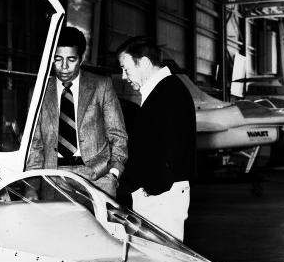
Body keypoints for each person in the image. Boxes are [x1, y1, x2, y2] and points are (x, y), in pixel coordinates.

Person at [26, 26, 127, 198]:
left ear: (81, 59)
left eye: (71, 59)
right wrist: (31, 187)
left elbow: (117, 135)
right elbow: (34, 145)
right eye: (58, 59)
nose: (64, 67)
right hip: (53, 180)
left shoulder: (101, 86)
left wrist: (114, 174)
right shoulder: (39, 91)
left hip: (97, 180)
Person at [115, 36, 196, 241]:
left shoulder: (169, 93)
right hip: (158, 196)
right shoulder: (163, 91)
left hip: (161, 198)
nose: (124, 77)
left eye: (126, 69)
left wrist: (152, 189)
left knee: (165, 260)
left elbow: (173, 149)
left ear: (143, 63)